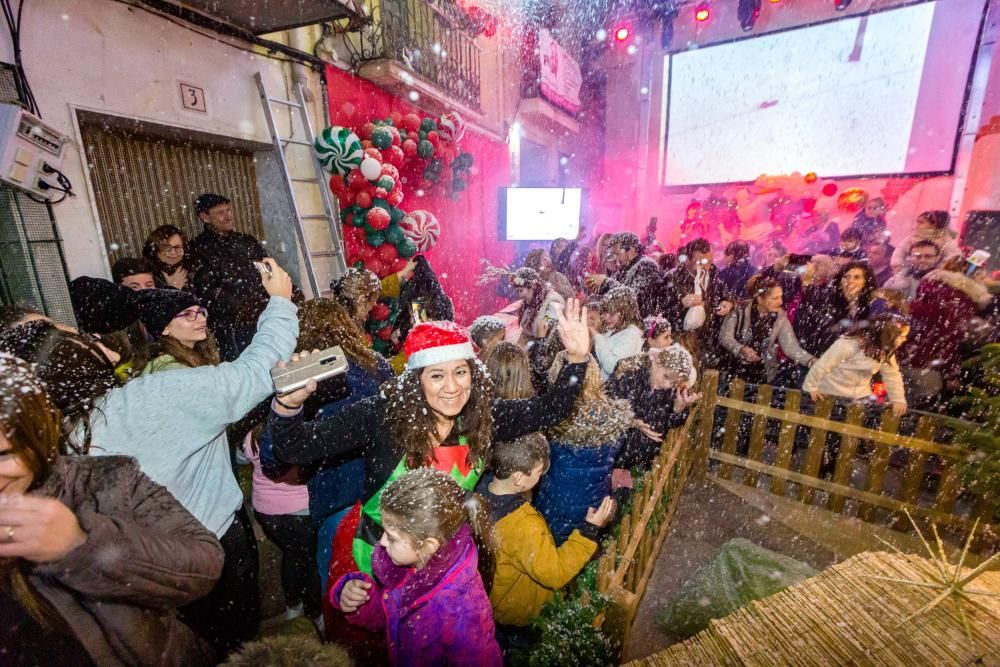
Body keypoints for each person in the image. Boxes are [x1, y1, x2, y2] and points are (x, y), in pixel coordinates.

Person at [0, 258, 298, 657]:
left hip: (127, 585)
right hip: (205, 551)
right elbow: (258, 372)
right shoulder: (151, 397)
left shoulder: (36, 446)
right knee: (231, 649)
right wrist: (279, 302)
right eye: (63, 332)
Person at [268, 302, 593, 580]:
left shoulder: (482, 417)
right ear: (416, 381)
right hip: (375, 556)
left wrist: (577, 359)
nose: (452, 387)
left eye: (460, 372)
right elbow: (294, 447)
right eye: (437, 375)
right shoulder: (382, 416)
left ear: (473, 374)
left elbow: (550, 409)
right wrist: (288, 406)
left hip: (443, 559)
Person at [0, 354, 224, 666]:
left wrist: (83, 547)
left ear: (38, 435)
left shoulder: (103, 480)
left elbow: (205, 564)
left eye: (2, 455)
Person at [257, 298, 392, 597]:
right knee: (386, 594)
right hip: (384, 501)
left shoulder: (304, 383)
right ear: (345, 326)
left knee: (340, 597)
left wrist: (284, 407)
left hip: (337, 504)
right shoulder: (377, 366)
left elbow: (273, 460)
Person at [332, 469, 502, 666]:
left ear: (428, 545)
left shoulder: (461, 609)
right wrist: (363, 601)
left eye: (392, 537)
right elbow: (393, 619)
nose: (382, 542)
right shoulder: (408, 566)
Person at [484, 434, 613, 647]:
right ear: (518, 478)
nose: (541, 477)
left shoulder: (482, 493)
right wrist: (589, 531)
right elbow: (554, 573)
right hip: (522, 615)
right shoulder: (522, 526)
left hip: (498, 606)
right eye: (538, 472)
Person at [533, 354, 632, 544]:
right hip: (594, 503)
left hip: (557, 505)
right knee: (584, 545)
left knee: (561, 550)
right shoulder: (612, 416)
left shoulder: (554, 419)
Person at [898, 256, 995, 407]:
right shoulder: (962, 302)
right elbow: (949, 339)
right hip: (928, 368)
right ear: (975, 276)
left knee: (891, 408)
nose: (986, 280)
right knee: (917, 415)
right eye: (983, 276)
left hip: (901, 360)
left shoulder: (928, 290)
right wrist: (952, 373)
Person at [187, 192, 271, 361]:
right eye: (220, 212)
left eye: (228, 210)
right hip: (228, 327)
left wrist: (270, 298)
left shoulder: (246, 241)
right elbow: (207, 290)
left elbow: (267, 270)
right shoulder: (197, 248)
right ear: (205, 217)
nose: (228, 216)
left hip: (263, 316)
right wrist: (242, 308)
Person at [606, 346, 700, 472]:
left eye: (673, 383)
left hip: (641, 464)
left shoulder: (670, 391)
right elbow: (606, 408)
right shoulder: (628, 374)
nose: (667, 385)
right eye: (666, 376)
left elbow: (667, 426)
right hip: (612, 458)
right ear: (655, 361)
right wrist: (631, 421)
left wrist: (678, 410)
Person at [802, 313, 910, 416]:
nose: (905, 340)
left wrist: (898, 399)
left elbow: (892, 375)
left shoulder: (885, 352)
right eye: (902, 336)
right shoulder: (849, 344)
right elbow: (823, 364)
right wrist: (811, 387)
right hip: (830, 392)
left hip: (860, 397)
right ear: (888, 335)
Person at [719, 279, 815, 385]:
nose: (781, 302)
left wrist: (811, 361)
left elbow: (790, 346)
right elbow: (725, 338)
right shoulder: (739, 311)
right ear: (760, 299)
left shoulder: (780, 317)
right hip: (733, 372)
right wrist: (740, 349)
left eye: (781, 297)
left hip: (762, 375)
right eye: (775, 298)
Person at [658, 238, 734, 366]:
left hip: (708, 342)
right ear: (687, 260)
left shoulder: (713, 274)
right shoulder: (673, 278)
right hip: (682, 342)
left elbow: (727, 294)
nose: (705, 267)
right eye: (700, 262)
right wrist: (681, 303)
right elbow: (660, 311)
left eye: (709, 261)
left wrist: (729, 302)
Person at [793, 261, 877, 360]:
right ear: (840, 280)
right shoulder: (827, 298)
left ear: (866, 282)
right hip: (818, 358)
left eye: (857, 277)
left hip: (848, 364)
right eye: (846, 277)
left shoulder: (871, 306)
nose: (850, 281)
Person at [136, 289, 220, 373]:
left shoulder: (197, 356)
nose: (202, 319)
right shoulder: (169, 368)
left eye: (201, 312)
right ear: (165, 329)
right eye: (187, 314)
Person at [584, 232, 661, 317]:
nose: (615, 258)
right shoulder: (623, 268)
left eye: (617, 254)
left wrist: (605, 282)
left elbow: (635, 298)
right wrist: (594, 296)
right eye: (614, 254)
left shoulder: (646, 265)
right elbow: (611, 294)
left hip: (638, 324)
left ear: (631, 250)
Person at [591, 286, 644, 381]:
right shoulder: (614, 330)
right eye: (605, 312)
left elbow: (611, 366)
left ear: (625, 313)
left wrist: (597, 337)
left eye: (611, 314)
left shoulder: (631, 336)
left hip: (612, 392)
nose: (606, 317)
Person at [891, 210, 962, 271]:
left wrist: (940, 269)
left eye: (921, 222)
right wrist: (898, 264)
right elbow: (900, 251)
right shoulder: (913, 236)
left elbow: (953, 256)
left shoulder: (945, 239)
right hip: (911, 270)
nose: (917, 225)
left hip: (933, 273)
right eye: (917, 222)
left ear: (934, 224)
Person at [509, 267, 565, 343]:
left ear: (533, 286)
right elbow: (525, 334)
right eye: (517, 291)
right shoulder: (531, 301)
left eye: (521, 291)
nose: (519, 295)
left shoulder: (553, 302)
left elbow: (549, 339)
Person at [143, 224, 196, 290]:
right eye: (167, 248)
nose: (173, 252)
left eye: (178, 247)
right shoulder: (145, 276)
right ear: (155, 250)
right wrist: (173, 288)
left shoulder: (193, 271)